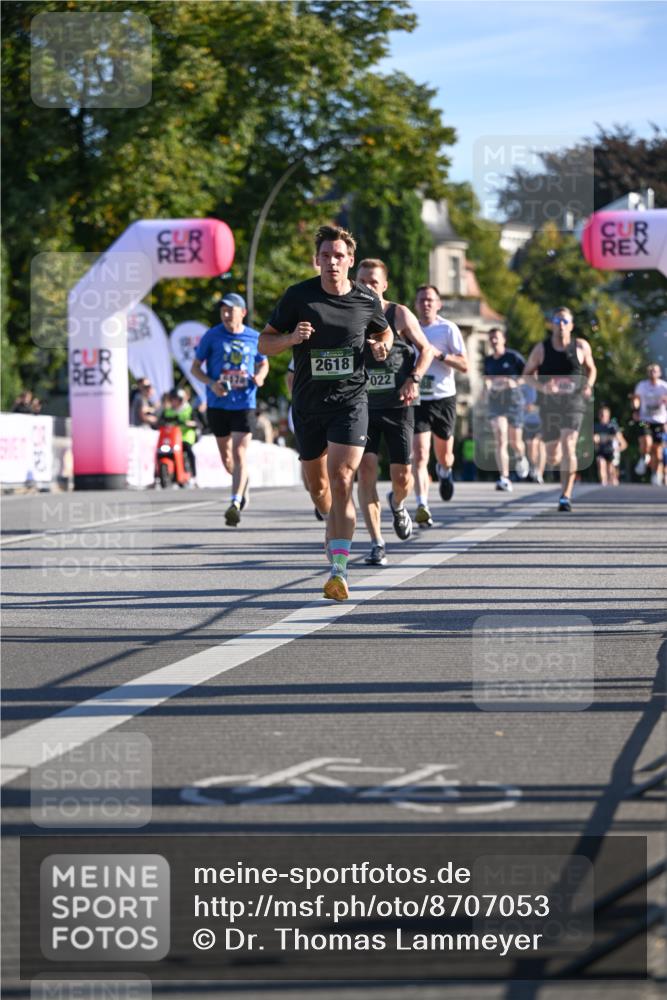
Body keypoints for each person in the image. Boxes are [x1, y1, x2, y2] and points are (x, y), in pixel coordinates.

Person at [259, 224, 392, 601]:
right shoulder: (298, 297)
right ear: (316, 260)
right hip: (308, 405)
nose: (332, 262)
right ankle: (330, 522)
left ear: (350, 261)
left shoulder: (367, 300)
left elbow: (385, 334)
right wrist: (290, 339)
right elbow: (264, 342)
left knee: (343, 477)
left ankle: (339, 571)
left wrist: (380, 348)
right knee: (320, 490)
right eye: (325, 256)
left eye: (339, 256)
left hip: (351, 402)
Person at [355, 258, 435, 566]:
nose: (368, 287)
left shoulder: (398, 313)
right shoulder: (351, 314)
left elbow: (426, 349)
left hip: (399, 405)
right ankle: (377, 542)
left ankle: (398, 504)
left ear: (384, 285)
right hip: (362, 405)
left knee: (402, 477)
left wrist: (413, 379)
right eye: (362, 281)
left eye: (374, 282)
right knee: (365, 472)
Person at [192, 292, 269, 525]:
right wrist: (211, 384)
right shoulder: (212, 336)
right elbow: (195, 368)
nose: (226, 315)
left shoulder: (254, 337)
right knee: (227, 458)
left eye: (231, 310)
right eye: (223, 310)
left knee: (239, 452)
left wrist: (261, 377)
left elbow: (263, 363)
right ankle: (242, 481)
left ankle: (235, 502)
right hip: (218, 404)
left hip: (245, 403)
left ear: (242, 313)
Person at [523, 306, 596, 511]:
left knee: (569, 445)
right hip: (549, 405)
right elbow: (527, 374)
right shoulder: (541, 349)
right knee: (553, 455)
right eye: (557, 321)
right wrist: (542, 386)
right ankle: (559, 477)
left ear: (571, 325)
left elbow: (592, 369)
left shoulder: (581, 346)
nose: (561, 325)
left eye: (565, 321)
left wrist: (588, 385)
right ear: (552, 325)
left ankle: (566, 495)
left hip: (574, 403)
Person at [412, 285, 468, 525]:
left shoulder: (448, 329)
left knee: (444, 455)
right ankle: (422, 504)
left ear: (438, 304)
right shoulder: (409, 328)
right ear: (415, 304)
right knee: (420, 454)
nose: (426, 304)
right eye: (422, 300)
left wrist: (440, 355)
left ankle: (445, 472)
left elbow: (465, 364)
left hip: (444, 397)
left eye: (430, 300)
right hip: (417, 398)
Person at [482, 327, 529, 492]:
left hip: (514, 403)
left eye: (496, 338)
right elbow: (486, 379)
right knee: (501, 437)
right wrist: (486, 388)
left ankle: (520, 456)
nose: (493, 341)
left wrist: (515, 383)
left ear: (504, 339)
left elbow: (530, 374)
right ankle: (504, 477)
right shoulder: (488, 361)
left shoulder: (513, 357)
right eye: (491, 338)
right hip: (496, 404)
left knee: (515, 442)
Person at [632, 363, 667, 485]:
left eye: (655, 371)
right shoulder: (642, 386)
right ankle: (643, 457)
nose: (653, 373)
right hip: (644, 420)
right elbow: (636, 399)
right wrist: (635, 409)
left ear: (659, 373)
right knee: (646, 441)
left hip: (659, 422)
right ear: (648, 373)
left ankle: (655, 473)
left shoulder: (663, 386)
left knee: (657, 451)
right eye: (650, 371)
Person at [161, 388, 199, 483]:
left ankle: (193, 475)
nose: (174, 402)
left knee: (188, 450)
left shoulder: (189, 409)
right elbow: (161, 421)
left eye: (176, 399)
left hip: (186, 437)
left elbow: (197, 423)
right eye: (172, 399)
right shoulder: (168, 411)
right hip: (171, 438)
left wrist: (186, 423)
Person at [594, 405, 627, 486]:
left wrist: (616, 450)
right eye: (601, 415)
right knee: (600, 462)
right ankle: (603, 483)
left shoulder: (613, 427)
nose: (603, 417)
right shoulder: (595, 427)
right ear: (599, 416)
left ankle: (613, 482)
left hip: (612, 452)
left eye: (605, 415)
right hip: (601, 451)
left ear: (608, 416)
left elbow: (623, 444)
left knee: (611, 473)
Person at [521, 383, 546, 483]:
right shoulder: (524, 386)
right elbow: (517, 402)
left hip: (542, 421)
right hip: (527, 422)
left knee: (539, 445)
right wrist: (524, 406)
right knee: (530, 447)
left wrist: (535, 408)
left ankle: (539, 473)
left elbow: (548, 403)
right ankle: (534, 467)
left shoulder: (542, 385)